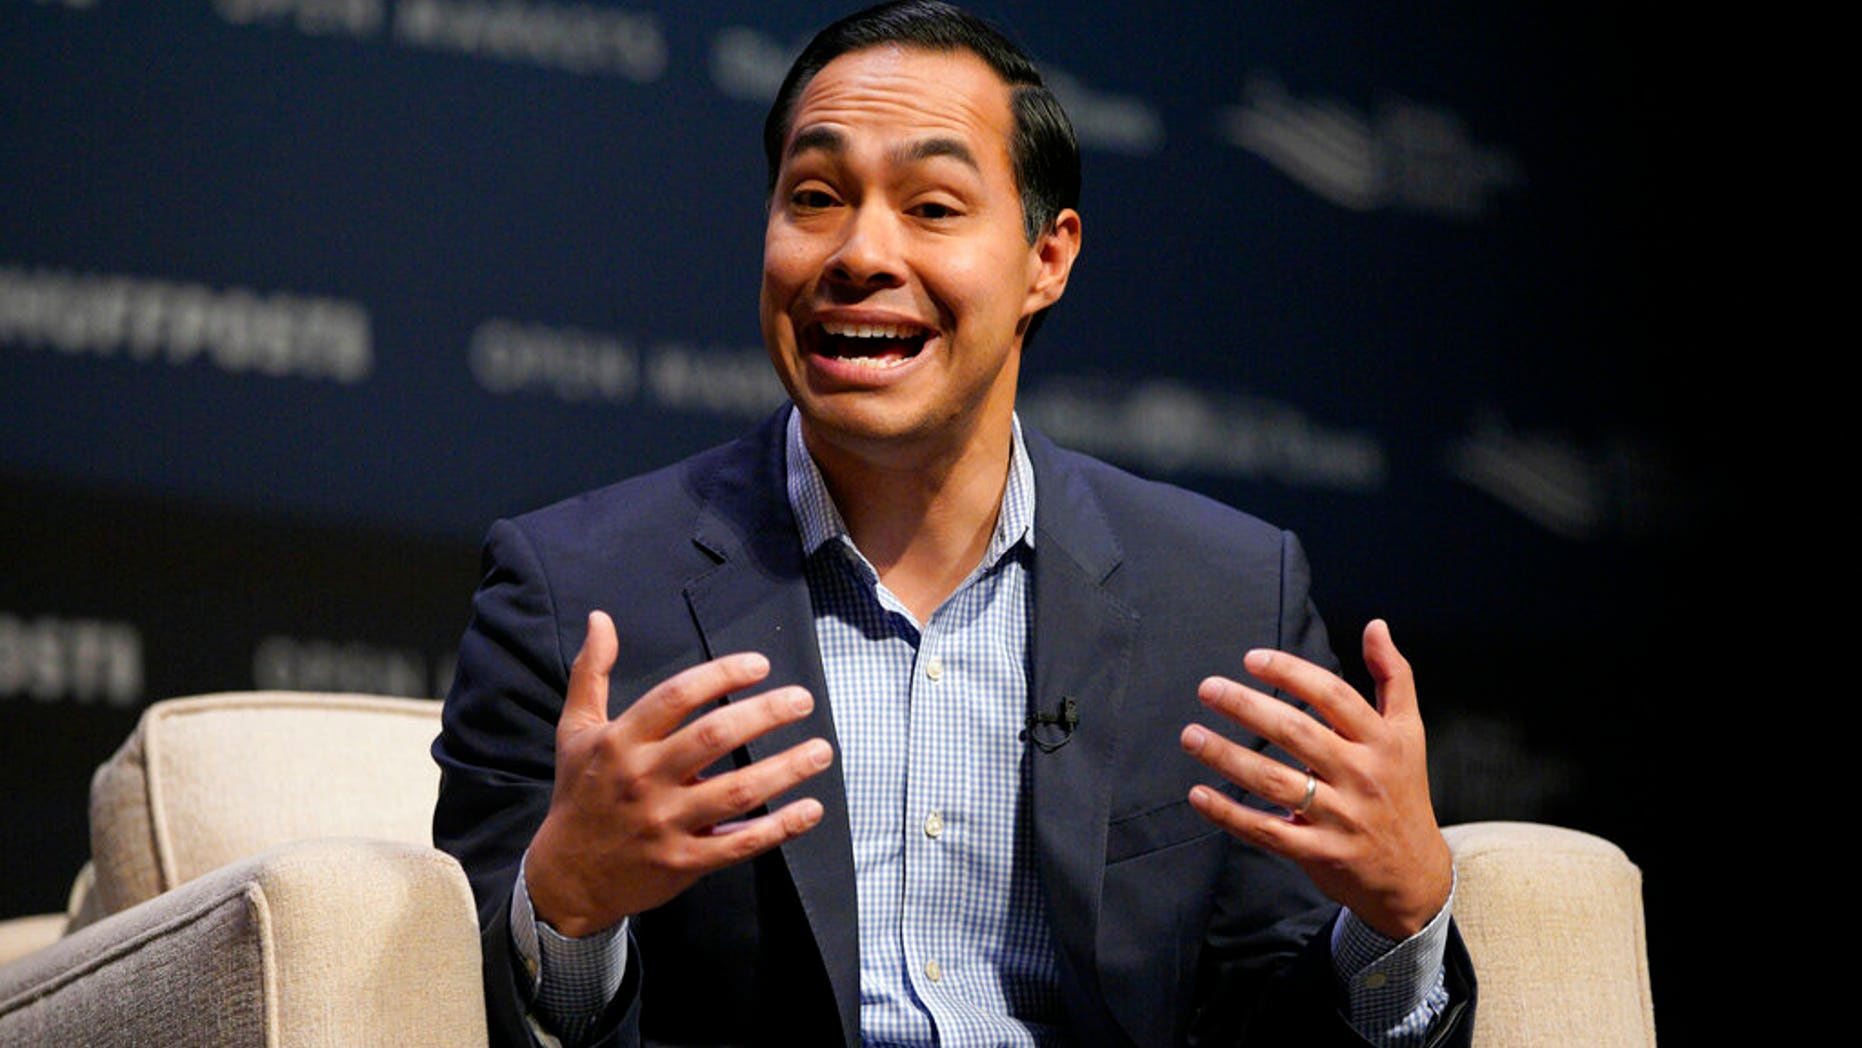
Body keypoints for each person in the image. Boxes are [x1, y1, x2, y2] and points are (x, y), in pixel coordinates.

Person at [433, 3, 1476, 1046]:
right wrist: (566, 908)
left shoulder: (1227, 595)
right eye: (813, 197)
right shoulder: (575, 595)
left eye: (931, 207)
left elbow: (1271, 1022)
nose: (859, 252)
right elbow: (457, 1010)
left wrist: (1397, 923)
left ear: (1045, 259)